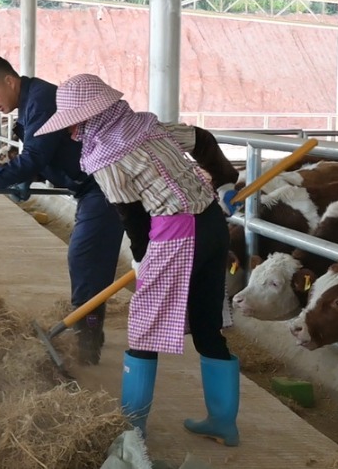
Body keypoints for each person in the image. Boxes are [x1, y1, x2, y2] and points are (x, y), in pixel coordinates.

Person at [35, 73, 240, 446]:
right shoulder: (149, 125)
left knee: (144, 330)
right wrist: (225, 181)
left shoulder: (106, 158)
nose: (70, 132)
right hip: (211, 223)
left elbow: (133, 217)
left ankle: (132, 430)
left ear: (91, 116)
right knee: (208, 325)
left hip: (176, 233)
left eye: (74, 123)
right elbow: (203, 140)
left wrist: (143, 259)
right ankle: (224, 423)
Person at [0, 55, 125, 365]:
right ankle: (89, 330)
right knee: (90, 261)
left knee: (85, 256)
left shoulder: (42, 100)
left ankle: (87, 343)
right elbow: (49, 153)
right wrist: (31, 177)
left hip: (103, 185)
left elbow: (36, 154)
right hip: (88, 185)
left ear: (10, 81)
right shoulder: (32, 102)